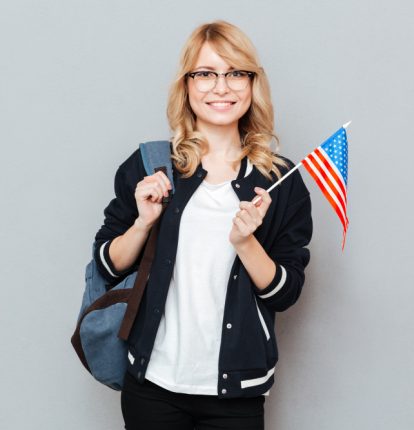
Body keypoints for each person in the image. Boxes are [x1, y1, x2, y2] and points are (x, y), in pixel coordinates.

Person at [93, 20, 313, 430]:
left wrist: (246, 243)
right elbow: (107, 266)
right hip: (153, 385)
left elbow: (288, 292)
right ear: (187, 85)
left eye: (235, 73)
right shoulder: (151, 166)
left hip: (237, 392)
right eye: (206, 74)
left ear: (252, 83)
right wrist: (143, 223)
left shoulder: (280, 181)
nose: (221, 87)